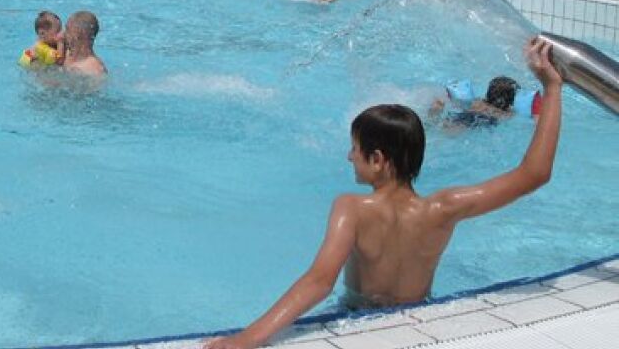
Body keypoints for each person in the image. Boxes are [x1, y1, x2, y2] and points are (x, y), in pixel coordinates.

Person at [203, 37, 563, 349]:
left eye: (354, 149)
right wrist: (552, 89)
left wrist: (248, 338)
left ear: (377, 159)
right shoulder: (443, 208)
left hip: (356, 320)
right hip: (420, 324)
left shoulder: (352, 208)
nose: (349, 157)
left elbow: (319, 281)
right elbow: (534, 174)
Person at [430, 76, 540, 129]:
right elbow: (535, 122)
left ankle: (435, 114)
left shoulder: (478, 101)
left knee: (442, 126)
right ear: (511, 100)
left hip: (464, 115)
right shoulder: (508, 114)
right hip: (478, 121)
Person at [61, 11, 107, 78]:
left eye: (68, 30)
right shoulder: (65, 53)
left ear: (82, 34)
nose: (62, 35)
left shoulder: (95, 70)